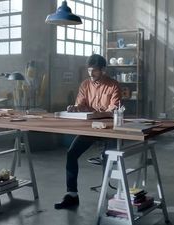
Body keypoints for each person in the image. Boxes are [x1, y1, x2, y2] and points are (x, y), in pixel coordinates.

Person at [54, 54, 121, 209]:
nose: (91, 74)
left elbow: (114, 109)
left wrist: (99, 113)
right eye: (89, 70)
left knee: (109, 159)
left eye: (95, 71)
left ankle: (111, 197)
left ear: (103, 70)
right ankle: (72, 195)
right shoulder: (85, 85)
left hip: (109, 129)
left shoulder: (113, 85)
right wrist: (74, 108)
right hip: (90, 127)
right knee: (71, 154)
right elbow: (81, 104)